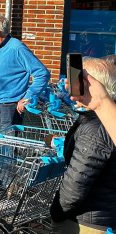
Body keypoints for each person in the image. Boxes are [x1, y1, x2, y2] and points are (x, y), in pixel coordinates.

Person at [50, 57, 116, 232]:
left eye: (80, 78)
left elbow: (76, 184)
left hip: (86, 222)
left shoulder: (96, 128)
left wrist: (56, 212)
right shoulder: (101, 120)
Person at [0, 14, 50, 131]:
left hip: (11, 106)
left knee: (7, 145)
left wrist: (28, 97)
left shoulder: (17, 48)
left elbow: (42, 73)